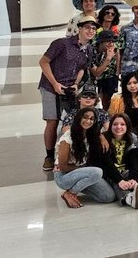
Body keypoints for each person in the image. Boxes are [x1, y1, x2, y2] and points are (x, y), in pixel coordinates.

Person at [39, 15, 98, 171]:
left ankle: (72, 152)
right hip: (50, 86)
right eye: (87, 27)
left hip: (70, 87)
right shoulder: (61, 44)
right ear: (79, 28)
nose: (90, 31)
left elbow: (82, 68)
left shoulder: (90, 49)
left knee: (75, 118)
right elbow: (43, 62)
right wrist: (54, 83)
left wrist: (76, 84)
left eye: (93, 28)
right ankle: (49, 156)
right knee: (53, 120)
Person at [53, 108, 116, 208]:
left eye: (91, 119)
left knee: (108, 197)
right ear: (79, 118)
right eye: (85, 117)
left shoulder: (90, 135)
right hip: (64, 176)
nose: (88, 121)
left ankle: (79, 186)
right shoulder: (67, 138)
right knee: (97, 172)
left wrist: (101, 136)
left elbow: (97, 134)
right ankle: (70, 193)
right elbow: (63, 166)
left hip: (84, 173)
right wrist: (84, 169)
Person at [92, 113, 138, 209]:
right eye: (115, 124)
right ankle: (128, 198)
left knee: (133, 180)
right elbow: (106, 163)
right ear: (110, 125)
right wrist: (119, 180)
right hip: (108, 172)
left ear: (127, 126)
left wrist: (134, 179)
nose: (118, 127)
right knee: (117, 183)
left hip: (124, 170)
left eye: (122, 124)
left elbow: (135, 160)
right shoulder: (104, 139)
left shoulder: (132, 138)